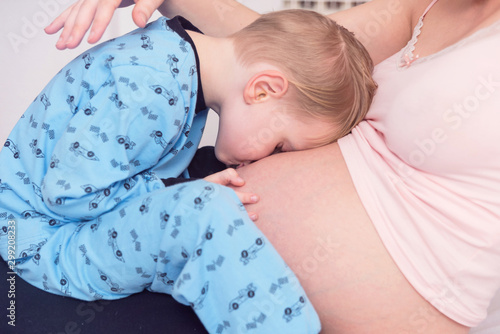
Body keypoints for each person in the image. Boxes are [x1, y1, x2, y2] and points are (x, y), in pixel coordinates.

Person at [42, 0, 500, 333]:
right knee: (24, 291)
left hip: (260, 286)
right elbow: (291, 46)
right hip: (198, 243)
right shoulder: (426, 5)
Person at [0, 8, 378, 334]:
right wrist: (170, 192)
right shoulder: (151, 90)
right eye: (279, 146)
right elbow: (68, 196)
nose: (267, 159)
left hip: (47, 223)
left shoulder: (179, 52)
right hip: (39, 240)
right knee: (206, 212)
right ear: (262, 90)